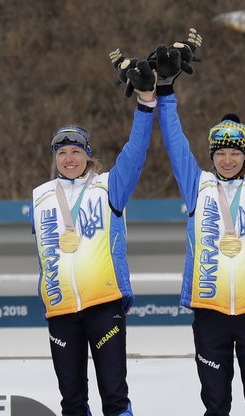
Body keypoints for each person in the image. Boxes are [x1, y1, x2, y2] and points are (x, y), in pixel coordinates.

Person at [157, 42, 245, 416]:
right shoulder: (196, 184)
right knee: (216, 405)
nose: (227, 158)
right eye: (220, 152)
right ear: (211, 155)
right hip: (209, 311)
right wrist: (166, 93)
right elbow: (175, 143)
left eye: (235, 152)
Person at [27, 61, 157, 416]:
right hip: (61, 310)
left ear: (88, 154)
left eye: (75, 150)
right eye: (61, 151)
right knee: (71, 399)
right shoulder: (39, 195)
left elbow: (135, 151)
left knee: (114, 395)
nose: (68, 158)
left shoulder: (108, 186)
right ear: (55, 157)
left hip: (104, 304)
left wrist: (146, 105)